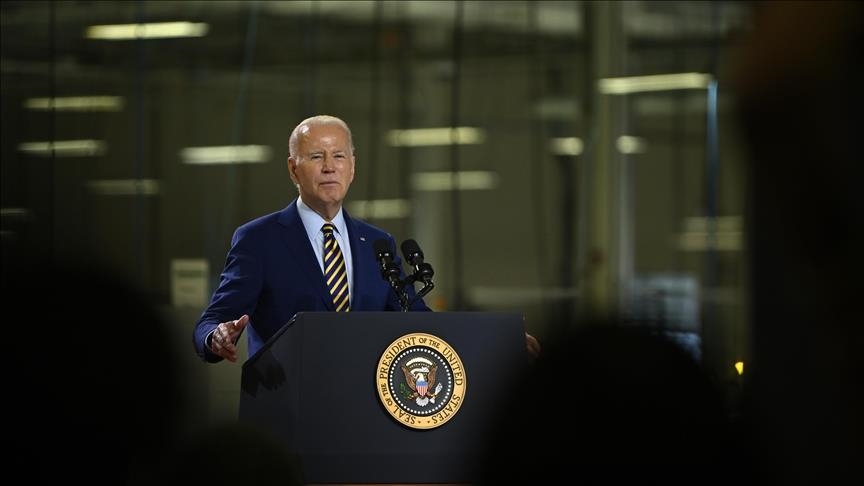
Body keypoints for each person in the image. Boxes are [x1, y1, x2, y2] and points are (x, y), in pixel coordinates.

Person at [193, 115, 430, 364]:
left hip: (363, 396)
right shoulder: (258, 240)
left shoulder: (377, 243)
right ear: (293, 169)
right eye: (317, 156)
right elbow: (212, 321)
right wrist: (215, 337)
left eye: (339, 156)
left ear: (352, 166)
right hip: (288, 396)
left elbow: (415, 318)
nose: (329, 166)